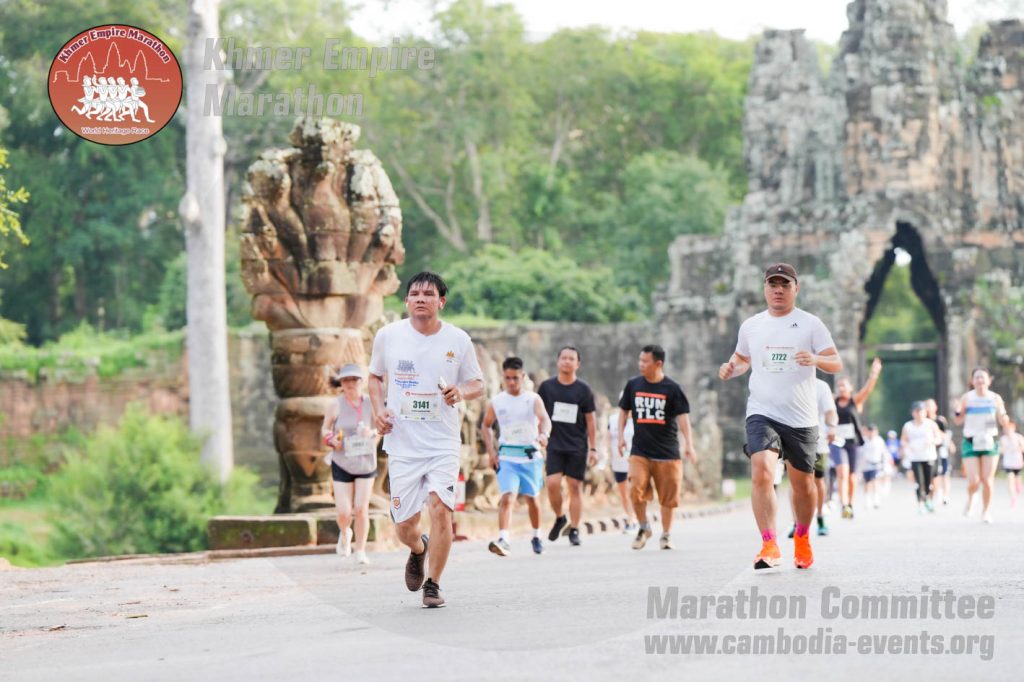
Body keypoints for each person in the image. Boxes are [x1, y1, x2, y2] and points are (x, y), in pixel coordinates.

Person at [368, 272, 484, 608]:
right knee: (404, 525)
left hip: (442, 442)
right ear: (406, 301)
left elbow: (478, 384)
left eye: (428, 294)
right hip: (403, 443)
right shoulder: (388, 336)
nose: (421, 298)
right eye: (415, 293)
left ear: (440, 301)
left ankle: (433, 584)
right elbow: (374, 377)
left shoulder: (458, 339)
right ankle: (418, 548)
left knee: (441, 510)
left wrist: (460, 391)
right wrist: (378, 411)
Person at [719, 263, 842, 570]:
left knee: (803, 486)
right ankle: (769, 544)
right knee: (761, 471)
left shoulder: (811, 324)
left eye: (784, 284)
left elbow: (836, 362)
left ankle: (802, 536)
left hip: (801, 418)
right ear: (764, 288)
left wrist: (815, 359)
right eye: (772, 284)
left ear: (795, 289)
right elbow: (744, 358)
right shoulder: (751, 326)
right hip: (762, 411)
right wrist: (732, 367)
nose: (778, 289)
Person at [617, 345, 697, 551]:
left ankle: (666, 535)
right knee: (635, 489)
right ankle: (644, 528)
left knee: (669, 498)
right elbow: (623, 411)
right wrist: (620, 437)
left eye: (645, 361)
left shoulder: (672, 388)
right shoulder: (633, 385)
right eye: (640, 360)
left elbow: (683, 418)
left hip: (668, 453)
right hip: (640, 451)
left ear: (658, 363)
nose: (640, 365)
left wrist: (689, 444)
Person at [481, 357, 551, 556]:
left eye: (515, 378)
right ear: (503, 377)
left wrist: (544, 434)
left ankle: (537, 535)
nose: (511, 382)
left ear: (523, 377)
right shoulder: (496, 401)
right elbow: (486, 426)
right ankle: (504, 539)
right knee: (508, 496)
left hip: (530, 456)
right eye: (508, 378)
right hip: (507, 457)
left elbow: (545, 419)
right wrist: (491, 451)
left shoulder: (533, 399)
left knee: (532, 500)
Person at [538, 346, 597, 546]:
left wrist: (594, 448)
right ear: (557, 361)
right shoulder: (546, 388)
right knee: (552, 483)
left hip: (577, 445)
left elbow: (591, 421)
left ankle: (574, 528)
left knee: (574, 487)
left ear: (577, 364)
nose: (567, 362)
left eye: (571, 359)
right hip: (554, 443)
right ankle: (559, 516)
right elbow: (539, 414)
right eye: (563, 358)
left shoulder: (584, 390)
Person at [320, 363, 379, 564]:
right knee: (344, 512)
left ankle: (360, 550)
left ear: (361, 382)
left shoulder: (371, 403)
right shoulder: (334, 405)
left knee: (361, 508)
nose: (350, 384)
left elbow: (381, 427)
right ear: (341, 383)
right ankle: (345, 532)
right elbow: (325, 429)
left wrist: (372, 433)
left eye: (354, 379)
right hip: (342, 460)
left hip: (365, 462)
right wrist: (330, 439)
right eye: (346, 380)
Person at [954, 367, 1009, 523]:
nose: (980, 380)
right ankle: (972, 497)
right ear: (972, 381)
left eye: (983, 377)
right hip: (971, 441)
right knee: (974, 481)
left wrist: (1001, 410)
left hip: (990, 440)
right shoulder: (967, 398)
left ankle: (986, 511)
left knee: (987, 480)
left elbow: (1003, 422)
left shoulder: (995, 398)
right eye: (977, 377)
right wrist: (957, 410)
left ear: (989, 380)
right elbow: (958, 420)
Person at [833, 358, 883, 519]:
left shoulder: (855, 402)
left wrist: (874, 374)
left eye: (844, 385)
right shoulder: (832, 402)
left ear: (850, 388)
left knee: (852, 477)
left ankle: (850, 504)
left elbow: (867, 390)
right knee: (842, 472)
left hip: (852, 442)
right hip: (836, 442)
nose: (841, 388)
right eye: (839, 386)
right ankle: (843, 504)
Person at [789, 378, 836, 538]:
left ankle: (821, 517)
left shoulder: (821, 386)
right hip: (794, 439)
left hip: (818, 441)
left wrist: (832, 427)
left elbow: (830, 411)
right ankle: (796, 522)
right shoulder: (789, 383)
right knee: (795, 481)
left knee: (818, 480)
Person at [900, 401, 943, 514]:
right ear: (913, 413)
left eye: (921, 411)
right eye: (916, 411)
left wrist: (932, 441)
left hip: (929, 456)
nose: (919, 414)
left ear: (925, 412)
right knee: (919, 481)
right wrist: (907, 446)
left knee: (929, 481)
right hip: (915, 457)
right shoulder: (908, 426)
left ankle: (927, 498)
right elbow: (903, 439)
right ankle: (920, 504)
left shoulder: (931, 424)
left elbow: (939, 438)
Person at [607, 397, 637, 533]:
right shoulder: (613, 419)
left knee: (633, 491)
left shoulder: (638, 420)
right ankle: (630, 517)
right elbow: (608, 438)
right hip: (618, 462)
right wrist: (605, 454)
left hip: (634, 462)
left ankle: (634, 519)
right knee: (624, 493)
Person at [925, 398, 954, 505]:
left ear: (935, 407)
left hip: (941, 450)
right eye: (926, 406)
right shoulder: (924, 422)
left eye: (930, 405)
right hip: (929, 452)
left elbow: (946, 434)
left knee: (945, 473)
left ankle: (945, 495)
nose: (928, 408)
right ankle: (933, 494)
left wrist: (950, 444)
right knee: (934, 475)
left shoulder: (940, 420)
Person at [859, 424, 887, 509]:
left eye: (873, 431)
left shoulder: (879, 440)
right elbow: (860, 453)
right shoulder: (863, 440)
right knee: (867, 483)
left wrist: (884, 465)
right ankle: (867, 499)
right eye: (869, 431)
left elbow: (884, 453)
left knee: (875, 481)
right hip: (866, 465)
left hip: (876, 464)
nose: (871, 433)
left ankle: (876, 499)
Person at [1000, 421, 1024, 508]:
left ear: (1013, 429)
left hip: (1017, 462)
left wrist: (1016, 448)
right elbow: (1001, 450)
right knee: (1010, 480)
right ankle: (1013, 497)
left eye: (1009, 429)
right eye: (1005, 429)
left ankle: (1018, 486)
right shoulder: (1003, 439)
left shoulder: (1018, 437)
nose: (1007, 431)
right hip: (1008, 463)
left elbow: (1023, 448)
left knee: (1017, 478)